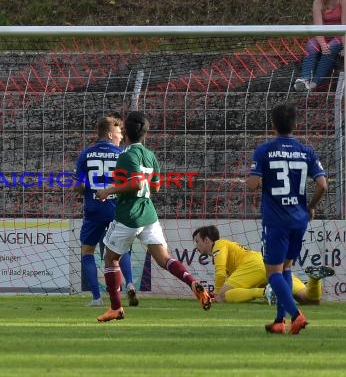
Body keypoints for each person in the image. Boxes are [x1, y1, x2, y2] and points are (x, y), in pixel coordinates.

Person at [95, 111, 211, 322]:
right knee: (164, 258)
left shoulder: (126, 155)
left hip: (128, 215)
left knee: (111, 258)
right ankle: (192, 282)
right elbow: (155, 187)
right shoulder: (150, 155)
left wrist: (108, 190)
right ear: (145, 134)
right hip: (148, 214)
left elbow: (137, 183)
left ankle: (116, 308)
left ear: (126, 132)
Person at [246, 103, 327, 334]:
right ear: (295, 125)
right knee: (287, 269)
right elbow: (322, 184)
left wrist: (252, 178)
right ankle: (280, 321)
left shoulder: (264, 150)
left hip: (276, 220)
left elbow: (252, 184)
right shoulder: (306, 151)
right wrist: (311, 207)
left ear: (272, 125)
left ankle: (296, 315)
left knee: (272, 273)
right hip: (299, 219)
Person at [73, 114, 139, 307]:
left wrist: (87, 189)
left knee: (87, 251)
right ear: (110, 134)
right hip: (116, 210)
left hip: (93, 210)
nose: (121, 137)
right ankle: (129, 284)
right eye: (119, 133)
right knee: (120, 249)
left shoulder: (86, 153)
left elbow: (77, 186)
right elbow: (130, 183)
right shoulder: (122, 155)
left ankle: (96, 298)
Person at [192, 225, 335, 305]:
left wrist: (217, 293)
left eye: (197, 241)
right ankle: (314, 280)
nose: (196, 246)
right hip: (267, 263)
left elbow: (220, 272)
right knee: (309, 300)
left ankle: (265, 292)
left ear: (206, 240)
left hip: (252, 265)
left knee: (223, 297)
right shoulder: (226, 247)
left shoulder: (218, 244)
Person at [294, 0, 343, 92]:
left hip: (340, 35)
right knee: (311, 46)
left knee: (331, 48)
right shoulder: (318, 2)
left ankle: (315, 82)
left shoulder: (343, 0)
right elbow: (318, 27)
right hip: (323, 35)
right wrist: (322, 43)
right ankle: (304, 79)